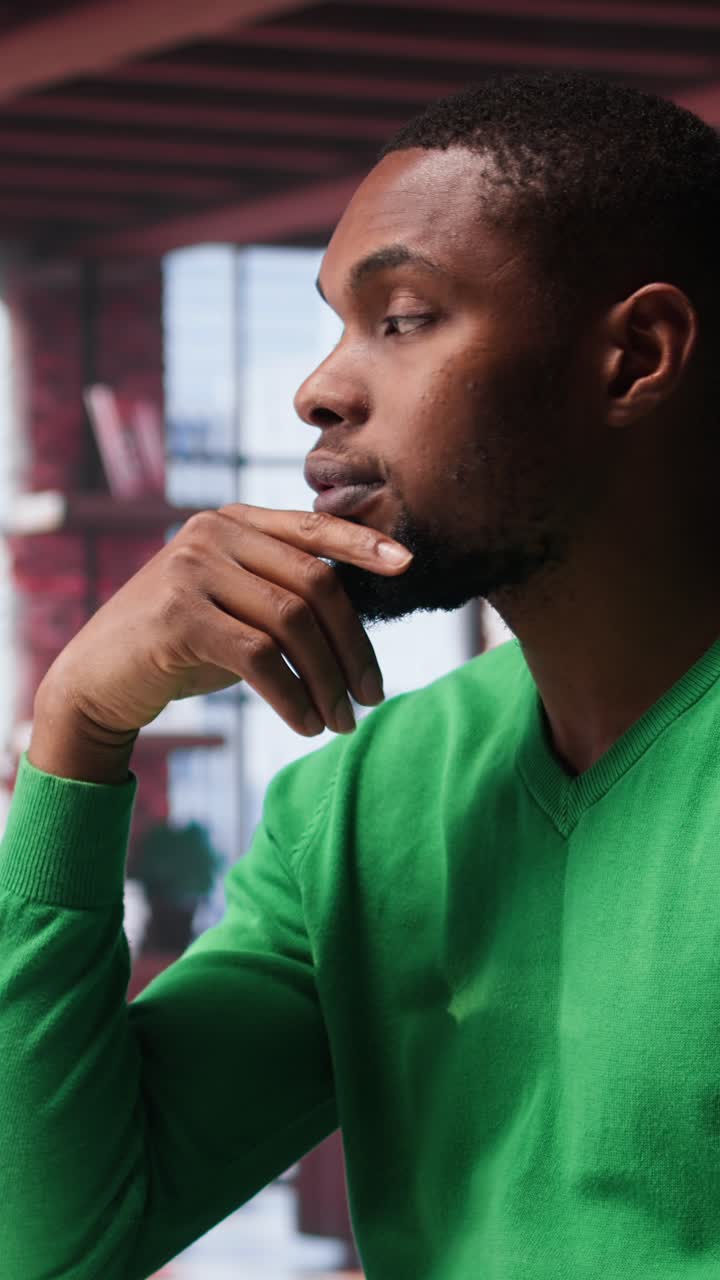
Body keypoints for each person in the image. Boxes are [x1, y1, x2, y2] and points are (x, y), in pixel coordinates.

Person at [2, 69, 720, 1278]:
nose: (319, 388)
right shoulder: (361, 797)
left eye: (402, 318)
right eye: (338, 324)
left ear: (635, 356)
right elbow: (54, 1239)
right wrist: (75, 726)